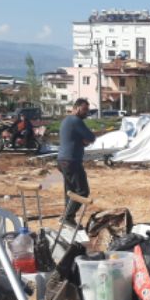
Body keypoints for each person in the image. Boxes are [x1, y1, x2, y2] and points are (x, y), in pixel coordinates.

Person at [57, 98, 96, 228]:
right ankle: (67, 217)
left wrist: (81, 140)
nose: (87, 112)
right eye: (85, 109)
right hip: (71, 160)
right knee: (82, 191)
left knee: (70, 191)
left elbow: (74, 139)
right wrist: (85, 140)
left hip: (63, 160)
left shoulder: (67, 120)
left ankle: (69, 219)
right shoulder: (75, 120)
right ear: (77, 108)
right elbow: (91, 137)